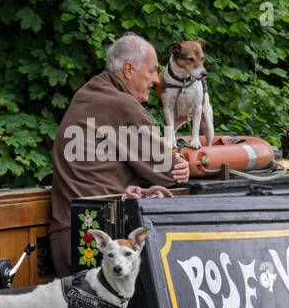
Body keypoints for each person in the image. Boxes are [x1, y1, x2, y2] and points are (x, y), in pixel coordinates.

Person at [49, 32, 190, 276]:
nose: (157, 80)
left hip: (69, 235)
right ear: (128, 69)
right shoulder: (121, 103)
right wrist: (182, 164)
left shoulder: (89, 93)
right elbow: (166, 169)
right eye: (151, 71)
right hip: (97, 240)